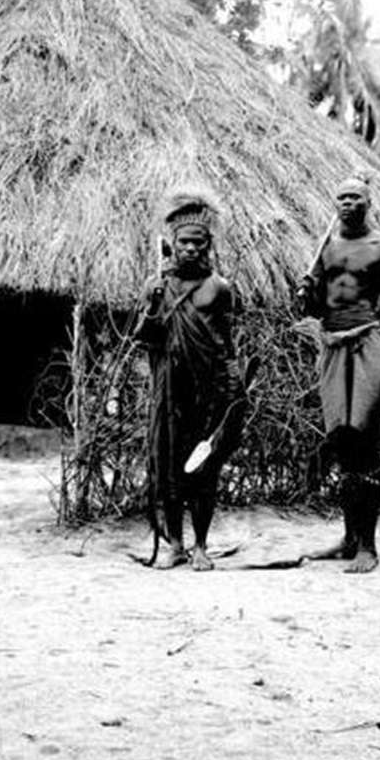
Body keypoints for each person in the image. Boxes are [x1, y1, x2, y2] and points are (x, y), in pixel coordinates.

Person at [297, 176, 380, 574]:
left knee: (363, 438)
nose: (347, 202)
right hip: (332, 343)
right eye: (341, 196)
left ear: (369, 202)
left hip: (367, 342)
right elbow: (318, 306)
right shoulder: (326, 245)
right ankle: (348, 539)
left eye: (355, 197)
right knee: (340, 438)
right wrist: (307, 293)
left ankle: (368, 547)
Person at [137, 188, 244, 571]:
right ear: (173, 244)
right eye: (184, 242)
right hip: (169, 390)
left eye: (199, 243)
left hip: (207, 390)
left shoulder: (220, 289)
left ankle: (200, 546)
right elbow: (144, 339)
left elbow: (227, 346)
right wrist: (152, 306)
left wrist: (233, 389)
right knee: (167, 468)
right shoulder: (157, 287)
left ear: (208, 245)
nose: (191, 249)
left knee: (203, 468)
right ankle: (176, 546)